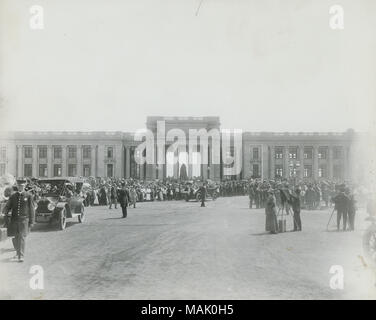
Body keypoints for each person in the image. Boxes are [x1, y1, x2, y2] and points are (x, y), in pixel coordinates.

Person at [2, 179, 35, 262]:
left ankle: (21, 256)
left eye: (22, 186)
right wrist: (4, 212)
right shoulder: (13, 196)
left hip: (24, 220)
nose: (21, 187)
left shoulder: (29, 196)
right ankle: (17, 253)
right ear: (17, 186)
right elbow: (8, 206)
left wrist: (32, 221)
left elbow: (32, 209)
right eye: (19, 186)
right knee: (15, 238)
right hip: (14, 220)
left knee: (22, 238)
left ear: (24, 186)